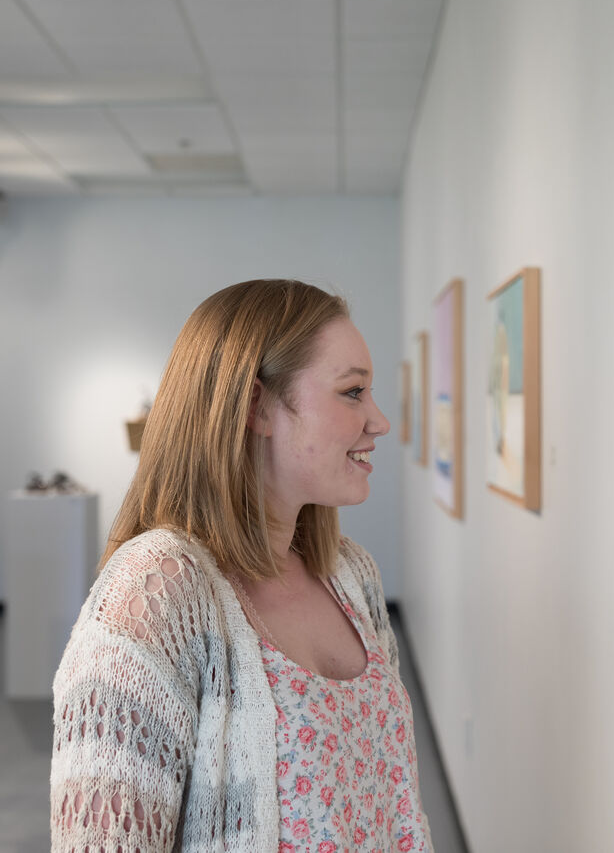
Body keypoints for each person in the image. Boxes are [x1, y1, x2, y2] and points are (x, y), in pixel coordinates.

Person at [50, 279, 433, 853]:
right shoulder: (155, 595)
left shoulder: (352, 577)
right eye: (352, 393)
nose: (378, 420)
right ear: (257, 407)